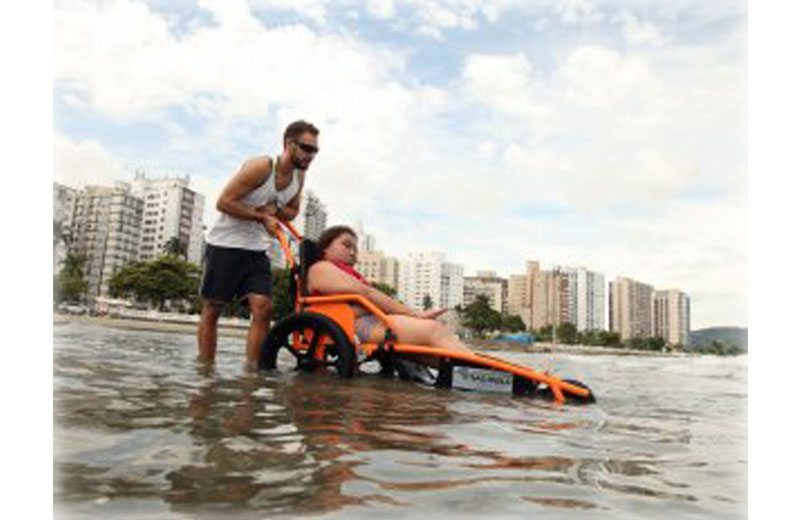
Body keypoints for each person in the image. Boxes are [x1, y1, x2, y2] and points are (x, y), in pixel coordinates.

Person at [198, 120, 320, 370]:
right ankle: (205, 369)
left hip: (256, 249)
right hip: (225, 244)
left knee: (263, 308)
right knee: (213, 308)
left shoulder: (299, 176)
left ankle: (252, 373)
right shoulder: (261, 167)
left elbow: (292, 211)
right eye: (307, 148)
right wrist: (261, 217)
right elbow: (223, 203)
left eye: (315, 150)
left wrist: (274, 210)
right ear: (289, 144)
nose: (311, 155)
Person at [306, 225, 473, 354]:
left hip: (363, 320)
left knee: (429, 346)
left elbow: (367, 298)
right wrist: (415, 314)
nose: (352, 252)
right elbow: (367, 293)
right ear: (325, 249)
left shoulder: (344, 273)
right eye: (346, 245)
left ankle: (471, 369)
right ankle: (480, 372)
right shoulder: (321, 269)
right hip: (347, 325)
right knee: (433, 329)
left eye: (355, 249)